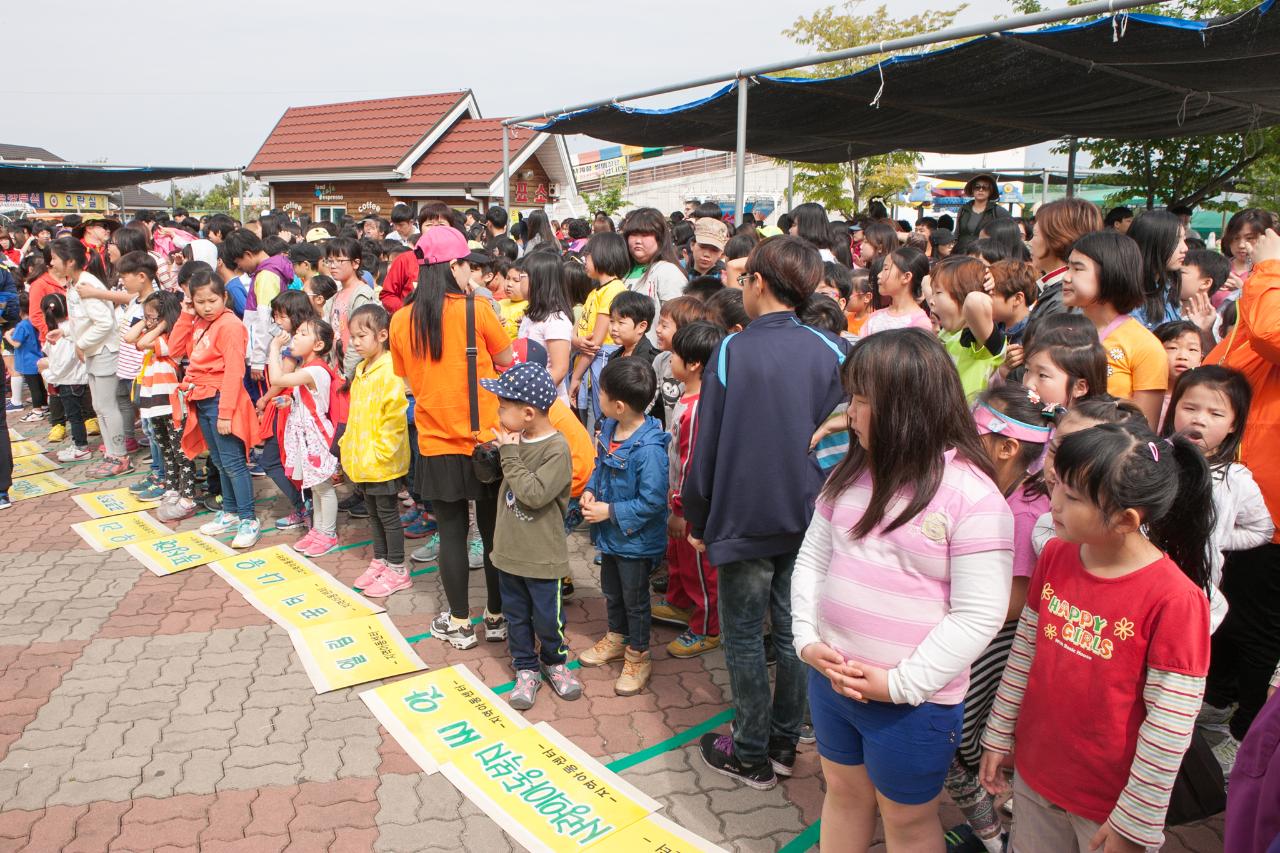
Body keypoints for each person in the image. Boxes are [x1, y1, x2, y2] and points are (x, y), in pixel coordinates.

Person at [790, 326, 1013, 848]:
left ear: (908, 408)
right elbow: (813, 558)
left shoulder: (971, 498)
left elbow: (978, 615)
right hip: (832, 681)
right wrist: (807, 640)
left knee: (908, 822)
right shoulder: (851, 473)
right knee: (843, 794)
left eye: (863, 400)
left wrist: (900, 684)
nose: (849, 411)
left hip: (914, 705)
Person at [980, 422, 1214, 853]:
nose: (1054, 506)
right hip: (1037, 774)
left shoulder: (1175, 599)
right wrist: (998, 732)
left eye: (1073, 498)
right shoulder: (1055, 554)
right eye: (1057, 488)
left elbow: (1170, 722)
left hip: (1111, 804)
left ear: (1126, 519)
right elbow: (1025, 652)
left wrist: (1135, 821)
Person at [684, 236, 850, 789]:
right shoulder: (832, 349)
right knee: (794, 631)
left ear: (757, 283)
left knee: (745, 636)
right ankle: (783, 742)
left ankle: (751, 750)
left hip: (745, 516)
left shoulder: (734, 350)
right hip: (811, 516)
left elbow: (705, 448)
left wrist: (699, 518)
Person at [943, 384, 1052, 853]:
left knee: (961, 747)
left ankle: (994, 837)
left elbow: (1014, 602)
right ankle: (992, 831)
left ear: (1007, 448)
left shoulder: (1026, 512)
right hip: (982, 636)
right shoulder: (997, 488)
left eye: (974, 432)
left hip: (996, 646)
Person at [390, 227, 513, 643]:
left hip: (436, 440)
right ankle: (497, 617)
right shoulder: (476, 310)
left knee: (451, 534)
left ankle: (460, 623)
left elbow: (407, 377)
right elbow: (506, 360)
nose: (471, 273)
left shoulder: (401, 319)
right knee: (496, 534)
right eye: (467, 265)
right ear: (454, 266)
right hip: (488, 440)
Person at [1166, 366, 1275, 771]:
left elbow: (1262, 528)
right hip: (1144, 592)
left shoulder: (1235, 479)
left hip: (1195, 602)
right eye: (1189, 407)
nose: (1198, 419)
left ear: (1233, 426)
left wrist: (1218, 540)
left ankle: (1173, 755)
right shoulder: (1153, 458)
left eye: (1215, 413)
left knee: (1179, 677)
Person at [1204, 227, 1280, 753]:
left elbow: (1272, 335)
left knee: (1255, 629)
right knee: (1224, 618)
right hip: (1229, 499)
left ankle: (1244, 737)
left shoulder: (1269, 287)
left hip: (1268, 517)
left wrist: (1269, 270)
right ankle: (1216, 713)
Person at [478, 361, 583, 710]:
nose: (497, 412)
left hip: (542, 557)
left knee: (547, 619)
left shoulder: (556, 449)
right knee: (516, 616)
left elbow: (534, 494)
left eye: (502, 407)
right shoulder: (514, 439)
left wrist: (508, 453)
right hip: (509, 552)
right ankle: (525, 668)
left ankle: (555, 663)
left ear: (527, 413)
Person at [578, 358, 671, 696]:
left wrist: (609, 511)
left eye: (600, 393)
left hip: (635, 540)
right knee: (612, 592)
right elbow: (599, 468)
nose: (597, 397)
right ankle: (617, 637)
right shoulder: (610, 428)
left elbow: (653, 502)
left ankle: (638, 654)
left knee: (635, 601)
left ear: (618, 404)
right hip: (612, 538)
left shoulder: (649, 449)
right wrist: (590, 489)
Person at [172, 268, 262, 550]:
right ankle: (232, 512)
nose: (207, 307)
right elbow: (175, 350)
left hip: (223, 398)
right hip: (202, 396)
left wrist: (225, 412)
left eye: (212, 300)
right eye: (200, 301)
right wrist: (187, 315)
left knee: (233, 462)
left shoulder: (230, 325)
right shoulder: (198, 321)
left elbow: (235, 370)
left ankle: (248, 518)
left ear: (224, 297)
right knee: (221, 462)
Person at [655, 321, 725, 658]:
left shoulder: (698, 408)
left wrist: (681, 510)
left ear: (694, 363)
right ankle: (682, 603)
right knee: (679, 558)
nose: (669, 361)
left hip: (690, 506)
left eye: (674, 355)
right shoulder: (688, 397)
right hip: (678, 499)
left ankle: (708, 627)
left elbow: (692, 462)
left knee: (700, 568)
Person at [1061, 230, 1167, 428]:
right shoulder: (1061, 330)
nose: (1066, 277)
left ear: (1110, 272)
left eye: (1077, 269)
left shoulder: (1145, 346)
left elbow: (1145, 429)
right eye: (1068, 267)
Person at [342, 304, 412, 597]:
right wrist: (348, 446)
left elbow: (395, 419)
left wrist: (382, 453)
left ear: (383, 334)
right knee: (373, 513)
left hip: (381, 461)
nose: (355, 342)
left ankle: (397, 568)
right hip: (363, 459)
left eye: (361, 336)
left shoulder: (390, 370)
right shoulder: (362, 369)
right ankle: (380, 559)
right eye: (352, 337)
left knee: (387, 514)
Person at [55, 237, 132, 479]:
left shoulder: (85, 284)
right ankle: (111, 453)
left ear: (69, 261)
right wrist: (66, 331)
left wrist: (81, 343)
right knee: (99, 406)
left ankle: (120, 455)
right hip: (94, 352)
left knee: (107, 407)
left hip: (104, 352)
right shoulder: (75, 283)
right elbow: (83, 320)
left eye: (55, 259)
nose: (51, 263)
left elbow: (104, 323)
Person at [267, 318, 341, 557]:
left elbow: (277, 380)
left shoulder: (315, 370)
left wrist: (274, 348)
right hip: (307, 438)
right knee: (315, 487)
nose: (296, 337)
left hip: (317, 438)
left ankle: (328, 534)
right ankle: (319, 531)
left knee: (323, 487)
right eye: (296, 332)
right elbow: (309, 399)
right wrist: (290, 401)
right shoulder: (308, 369)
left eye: (302, 334)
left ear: (318, 344)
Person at [129, 290, 198, 521]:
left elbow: (141, 342)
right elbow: (131, 338)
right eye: (146, 317)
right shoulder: (156, 335)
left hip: (170, 402)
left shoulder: (170, 339)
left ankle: (188, 494)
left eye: (152, 317)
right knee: (165, 448)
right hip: (153, 403)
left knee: (180, 451)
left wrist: (161, 325)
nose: (147, 322)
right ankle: (172, 488)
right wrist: (149, 321)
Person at [928, 255, 1007, 401]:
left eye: (938, 293)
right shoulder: (948, 333)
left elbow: (975, 301)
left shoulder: (976, 341)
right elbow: (925, 281)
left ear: (964, 293)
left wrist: (987, 275)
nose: (931, 301)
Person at [568, 232, 628, 424]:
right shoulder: (595, 291)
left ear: (603, 255)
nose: (584, 261)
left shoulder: (614, 289)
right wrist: (576, 340)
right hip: (587, 362)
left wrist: (576, 378)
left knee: (597, 423)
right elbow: (576, 331)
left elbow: (595, 343)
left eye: (588, 255)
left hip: (598, 366)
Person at [1024, 198, 1104, 340]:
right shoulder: (1059, 290)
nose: (1030, 242)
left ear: (1056, 240)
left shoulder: (1065, 298)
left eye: (1035, 235)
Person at [37, 293, 92, 463]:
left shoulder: (61, 334)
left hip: (69, 381)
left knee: (75, 417)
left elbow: (60, 366)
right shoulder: (71, 327)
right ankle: (78, 444)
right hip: (78, 378)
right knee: (80, 414)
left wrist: (45, 372)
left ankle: (81, 447)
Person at [621, 208, 687, 345]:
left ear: (660, 238)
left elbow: (677, 322)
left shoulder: (668, 271)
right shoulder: (622, 271)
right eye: (633, 235)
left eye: (645, 235)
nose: (638, 241)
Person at [517, 251, 574, 405]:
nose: (518, 281)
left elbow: (559, 369)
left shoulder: (556, 320)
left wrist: (531, 395)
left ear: (538, 280)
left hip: (546, 403)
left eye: (521, 276)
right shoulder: (531, 315)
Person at [1020, 314, 1108, 411]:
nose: (1028, 384)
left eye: (1042, 375)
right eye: (1027, 370)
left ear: (1079, 387)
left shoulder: (1090, 425)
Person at [322, 237, 376, 379]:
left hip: (355, 373)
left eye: (339, 261)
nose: (333, 266)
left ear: (355, 263)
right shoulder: (334, 298)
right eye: (330, 261)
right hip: (337, 371)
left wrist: (347, 374)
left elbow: (362, 337)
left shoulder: (362, 295)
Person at [1129, 210, 1188, 330]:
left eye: (1184, 240)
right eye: (1176, 241)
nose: (1185, 248)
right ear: (1153, 242)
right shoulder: (1129, 297)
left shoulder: (1166, 287)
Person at [864, 246, 931, 336]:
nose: (879, 275)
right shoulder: (875, 317)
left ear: (906, 277)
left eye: (886, 269)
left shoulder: (920, 324)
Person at [3, 294, 46, 422]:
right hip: (38, 358)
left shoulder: (22, 325)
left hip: (27, 361)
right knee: (39, 386)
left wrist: (7, 336)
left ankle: (37, 410)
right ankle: (44, 405)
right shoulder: (35, 320)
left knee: (34, 388)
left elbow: (16, 343)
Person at [955, 175, 1009, 251]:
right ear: (972, 190)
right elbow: (957, 234)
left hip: (987, 255)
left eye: (985, 187)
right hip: (963, 254)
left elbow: (1007, 236)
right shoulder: (963, 209)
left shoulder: (999, 211)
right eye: (977, 187)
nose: (981, 190)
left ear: (990, 191)